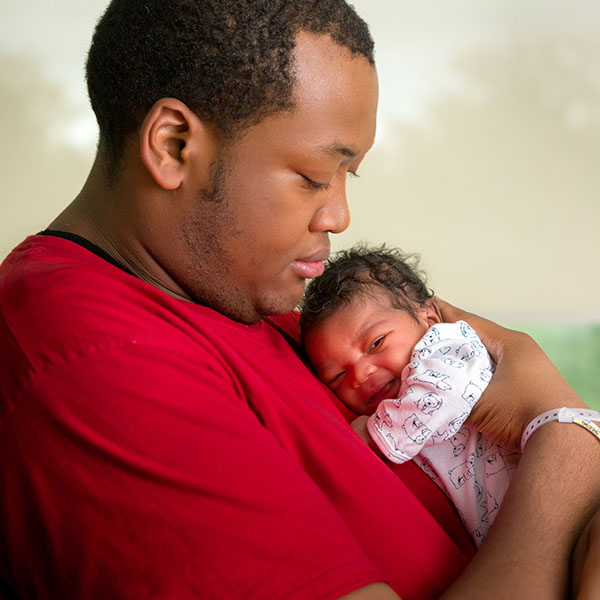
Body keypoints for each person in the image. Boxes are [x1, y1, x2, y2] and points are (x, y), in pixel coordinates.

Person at [0, 1, 598, 598]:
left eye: (348, 178)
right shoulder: (93, 362)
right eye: (315, 176)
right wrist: (565, 437)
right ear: (174, 144)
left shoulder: (260, 300)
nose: (339, 215)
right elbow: (533, 393)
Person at [300, 245, 520, 547]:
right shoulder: (402, 407)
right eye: (338, 376)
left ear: (428, 318)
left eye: (376, 343)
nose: (360, 375)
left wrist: (372, 435)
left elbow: (447, 396)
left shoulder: (448, 346)